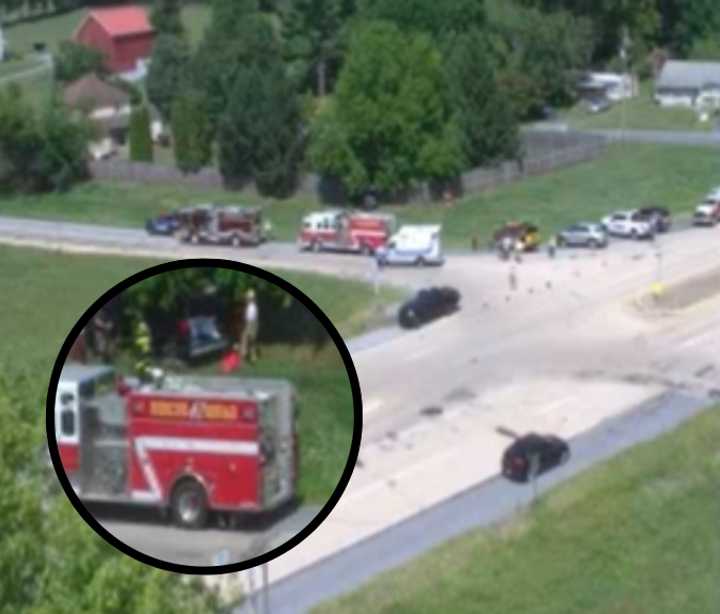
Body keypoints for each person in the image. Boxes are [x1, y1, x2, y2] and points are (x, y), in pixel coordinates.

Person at [240, 289, 259, 364]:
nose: (246, 299)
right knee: (252, 342)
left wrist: (244, 325)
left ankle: (243, 356)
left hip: (250, 324)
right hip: (254, 324)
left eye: (247, 298)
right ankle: (253, 357)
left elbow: (248, 318)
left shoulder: (251, 307)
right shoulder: (253, 306)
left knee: (244, 339)